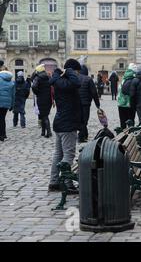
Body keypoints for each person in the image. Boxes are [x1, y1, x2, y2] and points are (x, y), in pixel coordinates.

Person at [48, 59, 82, 193]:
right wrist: (69, 71)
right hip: (68, 124)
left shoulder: (58, 82)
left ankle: (54, 182)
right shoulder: (68, 83)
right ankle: (67, 184)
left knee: (58, 154)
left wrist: (65, 72)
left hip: (60, 122)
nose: (78, 74)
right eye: (77, 72)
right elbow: (77, 83)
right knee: (68, 154)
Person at [77, 65, 100, 143]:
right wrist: (97, 104)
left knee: (80, 120)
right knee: (85, 120)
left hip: (76, 103)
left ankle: (85, 135)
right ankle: (81, 136)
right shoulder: (88, 79)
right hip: (86, 103)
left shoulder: (75, 78)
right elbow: (94, 93)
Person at [32, 64, 53, 138]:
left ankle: (49, 132)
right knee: (44, 114)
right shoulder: (49, 77)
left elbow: (34, 86)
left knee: (44, 116)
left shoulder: (37, 78)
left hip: (41, 98)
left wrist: (37, 92)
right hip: (49, 99)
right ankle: (43, 132)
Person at [118, 63, 137, 129]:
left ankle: (123, 137)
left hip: (121, 103)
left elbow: (119, 90)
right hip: (130, 104)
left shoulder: (124, 78)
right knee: (131, 122)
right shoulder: (134, 79)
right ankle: (130, 137)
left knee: (122, 123)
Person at [0, 70, 15, 141]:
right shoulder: (11, 83)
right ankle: (3, 134)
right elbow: (13, 95)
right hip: (6, 104)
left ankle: (1, 135)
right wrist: (12, 105)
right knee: (2, 118)